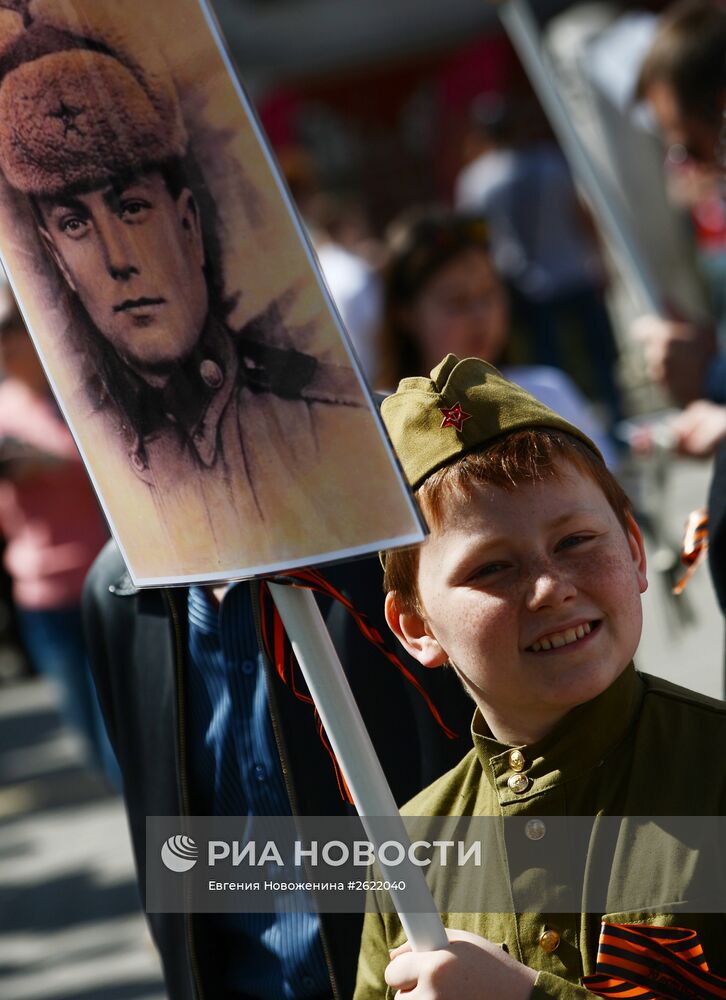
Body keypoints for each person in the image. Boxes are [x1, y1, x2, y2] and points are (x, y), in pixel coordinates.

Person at [354, 354, 726, 999]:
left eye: (577, 541)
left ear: (634, 551)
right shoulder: (408, 848)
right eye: (492, 568)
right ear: (416, 627)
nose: (552, 588)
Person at [0, 14, 402, 576]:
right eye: (74, 225)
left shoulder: (325, 413)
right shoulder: (98, 446)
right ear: (57, 260)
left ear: (187, 221)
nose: (118, 260)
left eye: (132, 208)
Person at [377, 210, 616, 466]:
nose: (481, 316)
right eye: (457, 302)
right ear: (405, 313)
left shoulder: (546, 391)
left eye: (489, 294)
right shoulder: (384, 422)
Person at [453, 97, 622, 427]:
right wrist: (600, 260)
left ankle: (563, 428)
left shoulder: (476, 180)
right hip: (572, 271)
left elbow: (473, 241)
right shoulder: (549, 161)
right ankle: (616, 420)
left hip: (523, 282)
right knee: (599, 358)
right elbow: (582, 215)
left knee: (549, 366)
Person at [0, 299, 115, 781]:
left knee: (118, 728)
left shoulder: (77, 395)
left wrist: (48, 462)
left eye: (12, 332)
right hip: (41, 589)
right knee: (85, 728)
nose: (6, 345)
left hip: (100, 577)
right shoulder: (5, 407)